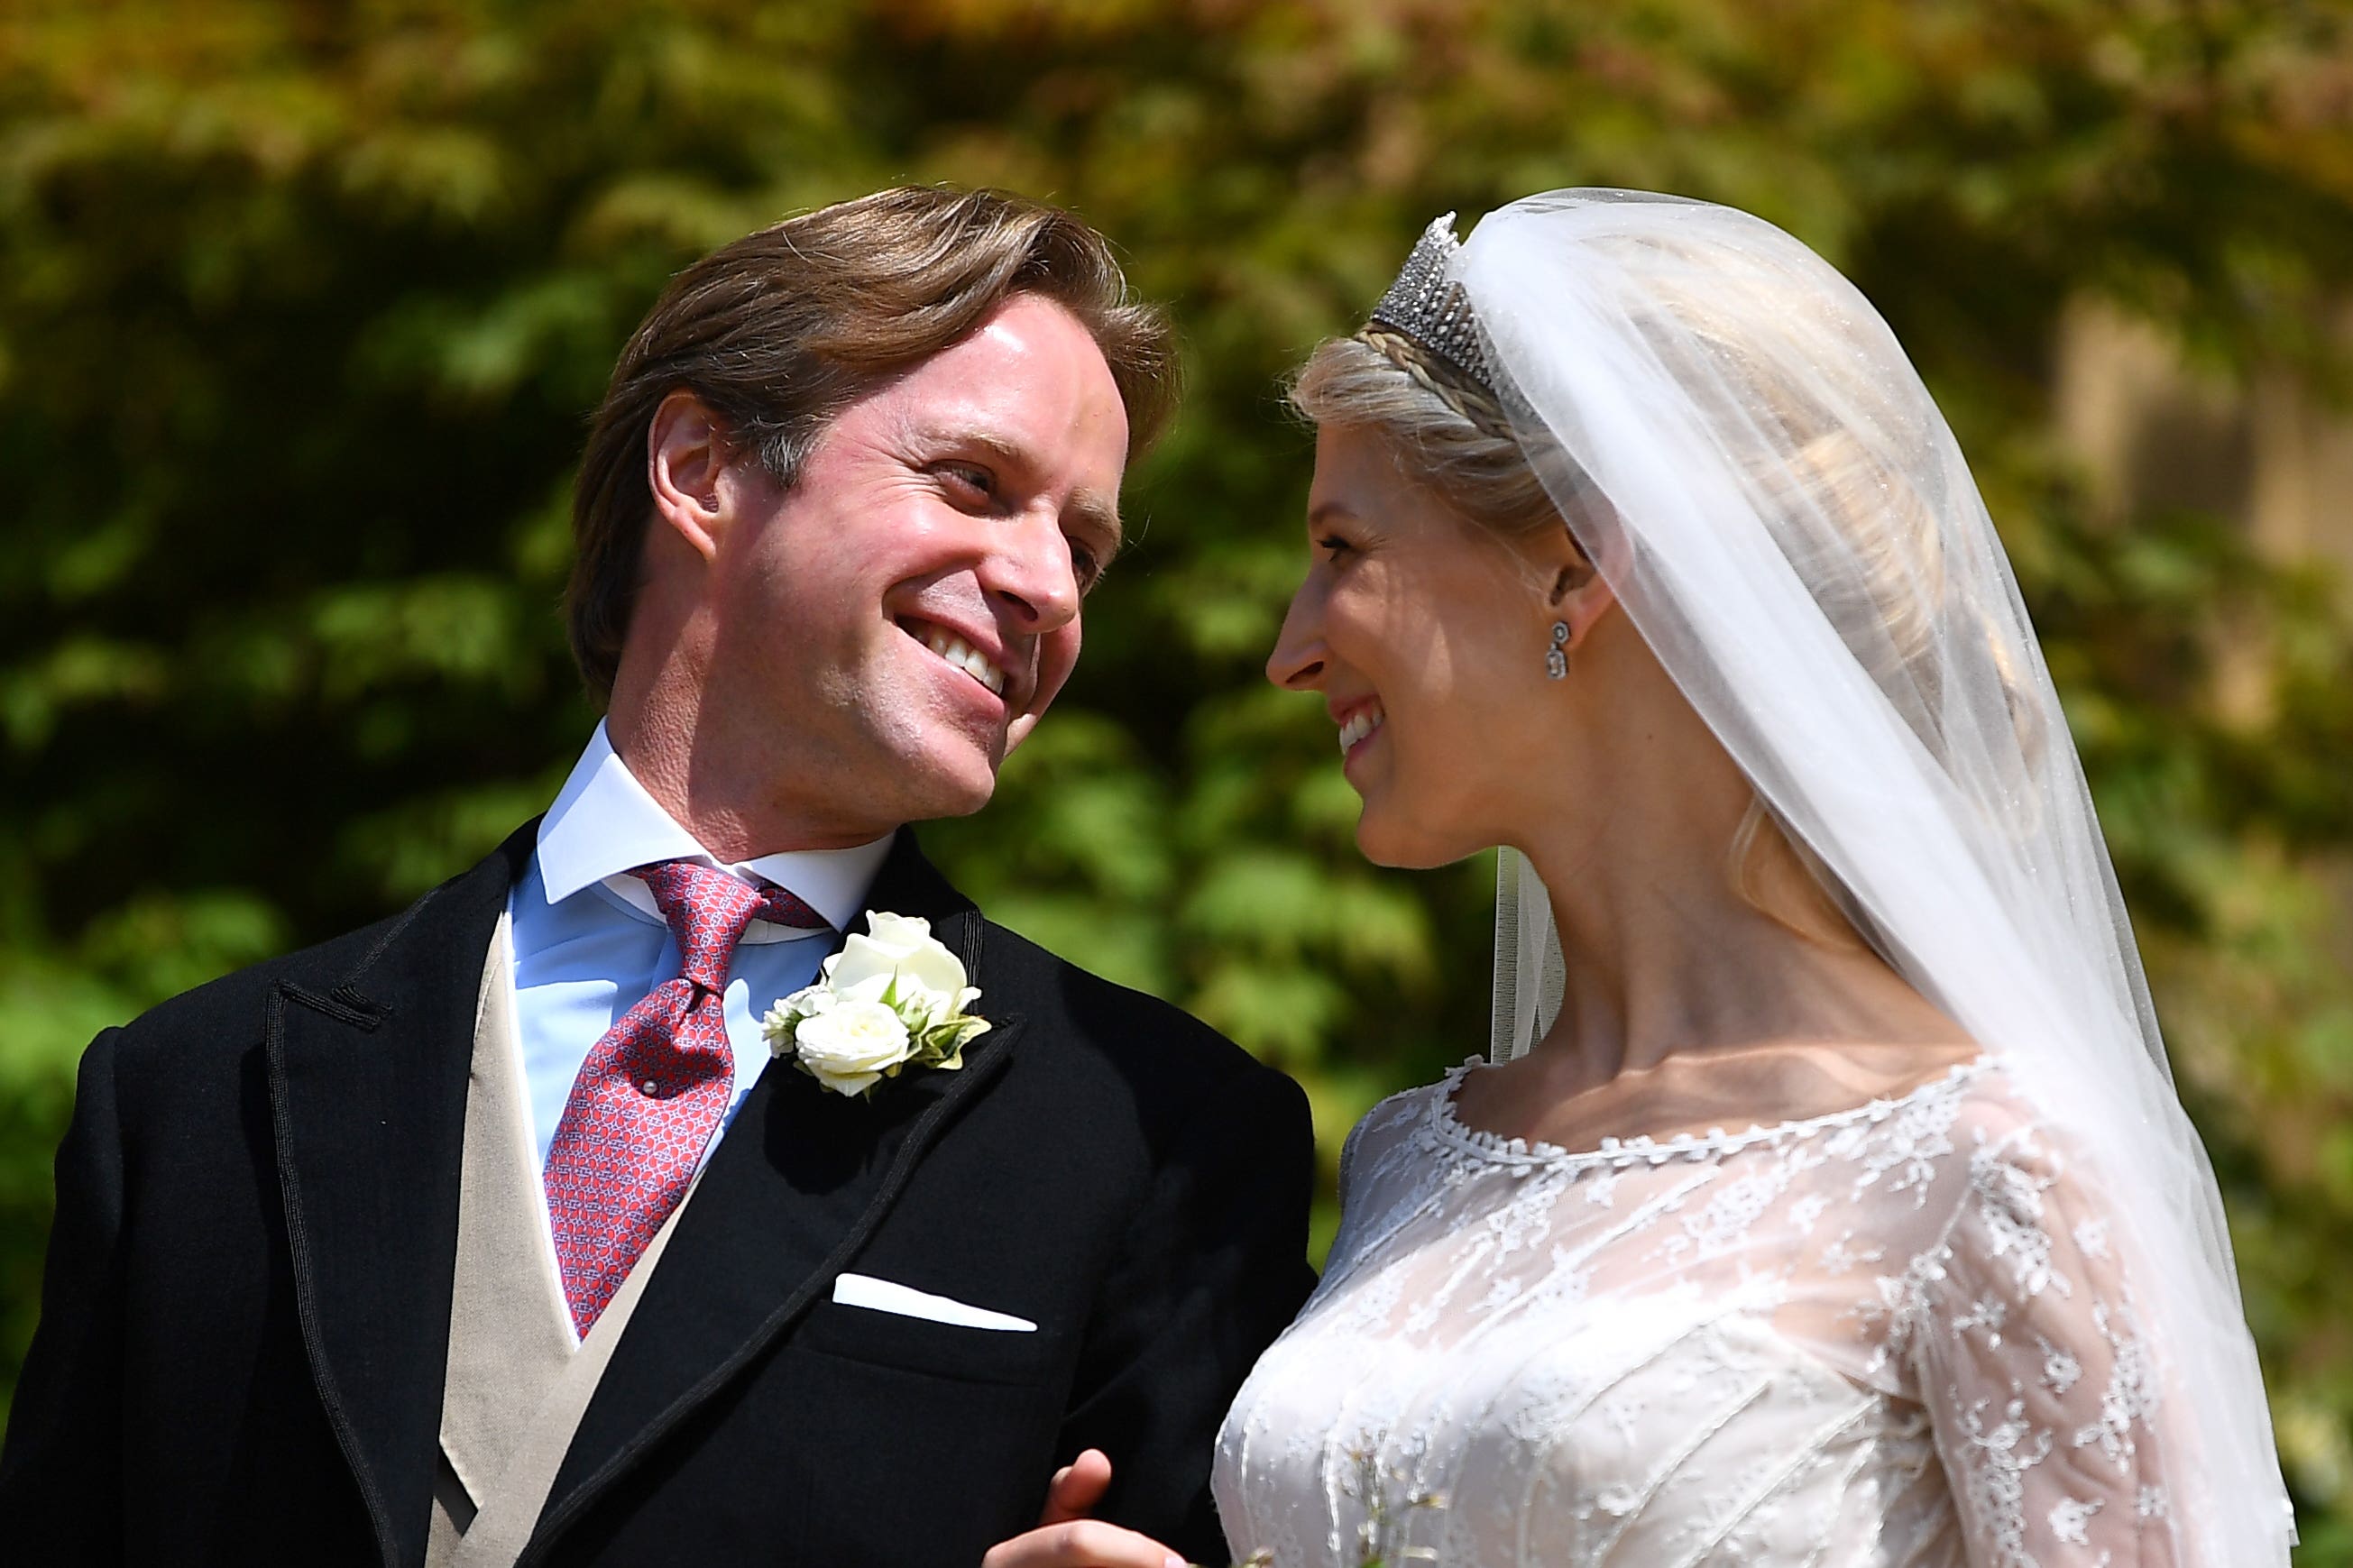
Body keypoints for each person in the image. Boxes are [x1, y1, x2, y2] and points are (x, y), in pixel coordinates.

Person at [0, 185, 1315, 1568]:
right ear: (699, 466)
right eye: (974, 484)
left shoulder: (1164, 1133)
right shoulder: (187, 1096)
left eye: (1086, 547)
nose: (1049, 584)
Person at [1209, 192, 2296, 1564]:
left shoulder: (1990, 1169)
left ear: (1569, 570)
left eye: (1339, 551)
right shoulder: (1406, 1159)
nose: (1291, 649)